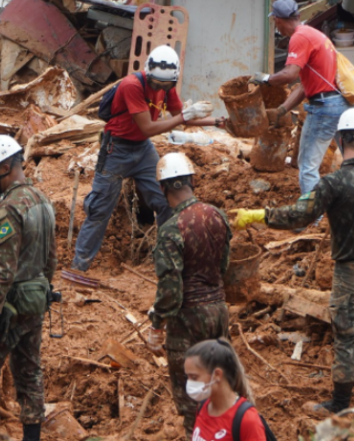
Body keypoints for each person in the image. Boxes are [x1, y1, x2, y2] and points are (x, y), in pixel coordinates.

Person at [230, 108, 354, 413]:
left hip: (350, 273)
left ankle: (339, 406)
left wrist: (260, 216)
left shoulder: (331, 183)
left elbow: (299, 215)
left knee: (347, 338)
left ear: (339, 140)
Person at [67, 46, 219, 276]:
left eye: (166, 85)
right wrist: (185, 115)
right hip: (116, 149)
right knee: (100, 208)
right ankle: (79, 266)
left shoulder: (167, 86)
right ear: (148, 73)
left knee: (168, 199)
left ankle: (169, 259)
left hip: (143, 149)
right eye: (157, 84)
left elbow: (180, 118)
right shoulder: (132, 85)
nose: (160, 88)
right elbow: (148, 126)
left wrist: (217, 122)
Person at [0, 135, 57, 441]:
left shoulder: (8, 210)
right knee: (30, 372)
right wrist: (44, 293)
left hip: (11, 304)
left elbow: (3, 274)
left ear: (5, 167)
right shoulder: (43, 201)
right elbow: (51, 259)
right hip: (36, 300)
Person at [145, 153, 232, 439]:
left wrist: (157, 323)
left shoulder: (172, 229)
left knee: (192, 395)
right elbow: (223, 267)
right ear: (192, 181)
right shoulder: (217, 215)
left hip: (188, 321)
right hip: (218, 311)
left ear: (162, 188)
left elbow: (171, 290)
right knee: (220, 385)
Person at [253, 0, 348, 196]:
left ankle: (311, 216)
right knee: (336, 162)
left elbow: (289, 75)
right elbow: (305, 86)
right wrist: (282, 110)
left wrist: (265, 78)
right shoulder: (314, 34)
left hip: (324, 107)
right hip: (333, 104)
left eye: (275, 21)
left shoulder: (300, 37)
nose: (276, 26)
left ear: (278, 19)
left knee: (307, 167)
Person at [185, 339, 272, 441]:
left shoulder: (247, 420)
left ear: (217, 375)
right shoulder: (203, 407)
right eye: (188, 377)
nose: (189, 383)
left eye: (194, 377)